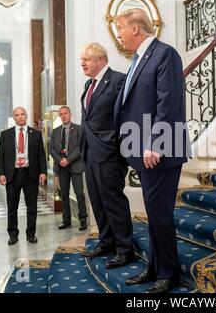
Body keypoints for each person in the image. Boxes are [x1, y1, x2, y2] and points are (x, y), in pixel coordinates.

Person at [114, 9, 190, 293]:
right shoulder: (138, 59)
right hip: (142, 148)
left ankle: (168, 273)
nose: (119, 34)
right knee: (153, 213)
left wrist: (155, 143)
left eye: (121, 28)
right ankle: (156, 267)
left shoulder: (164, 54)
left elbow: (167, 103)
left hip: (161, 150)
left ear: (136, 28)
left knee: (160, 215)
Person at [78, 42, 135, 269]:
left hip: (109, 153)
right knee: (98, 201)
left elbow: (127, 115)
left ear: (101, 60)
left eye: (87, 59)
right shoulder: (88, 84)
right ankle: (106, 241)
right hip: (89, 151)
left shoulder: (118, 80)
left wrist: (116, 143)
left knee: (113, 201)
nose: (83, 63)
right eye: (82, 59)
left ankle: (124, 249)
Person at [0, 107, 47, 245]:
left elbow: (41, 155)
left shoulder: (36, 134)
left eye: (22, 114)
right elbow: (0, 156)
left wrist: (43, 172)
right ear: (14, 117)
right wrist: (0, 173)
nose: (20, 117)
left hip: (30, 174)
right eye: (17, 115)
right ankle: (13, 234)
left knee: (32, 207)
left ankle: (31, 234)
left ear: (26, 116)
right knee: (12, 207)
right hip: (12, 175)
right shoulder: (5, 134)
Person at [48, 106, 88, 230]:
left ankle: (83, 221)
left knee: (79, 193)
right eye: (61, 114)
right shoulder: (55, 131)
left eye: (65, 113)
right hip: (61, 167)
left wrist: (68, 159)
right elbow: (51, 149)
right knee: (64, 194)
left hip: (75, 165)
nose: (63, 116)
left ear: (70, 114)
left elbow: (80, 147)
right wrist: (61, 161)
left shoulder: (78, 129)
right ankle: (66, 220)